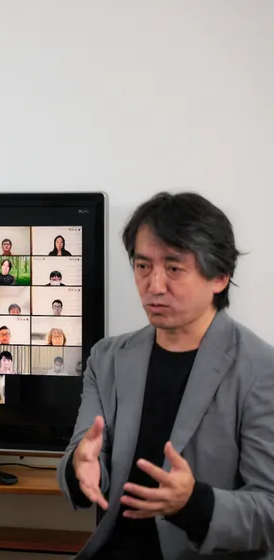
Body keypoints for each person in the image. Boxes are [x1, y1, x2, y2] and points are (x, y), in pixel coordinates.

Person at [57, 192, 274, 559]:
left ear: (220, 276)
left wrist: (194, 503)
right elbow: (84, 453)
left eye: (174, 268)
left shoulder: (261, 369)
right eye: (143, 266)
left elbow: (269, 510)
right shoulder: (107, 359)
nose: (154, 285)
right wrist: (80, 465)